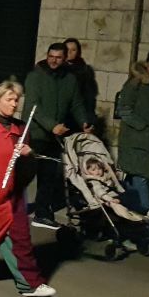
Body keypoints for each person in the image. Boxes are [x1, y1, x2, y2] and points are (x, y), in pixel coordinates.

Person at [0, 80, 57, 297]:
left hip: (13, 196)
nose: (14, 104)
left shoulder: (21, 129)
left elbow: (28, 167)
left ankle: (30, 284)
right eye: (9, 99)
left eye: (16, 100)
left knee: (20, 239)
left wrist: (29, 154)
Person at [23, 42, 91, 230]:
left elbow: (76, 104)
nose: (53, 61)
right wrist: (51, 126)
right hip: (36, 133)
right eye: (50, 56)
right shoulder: (35, 77)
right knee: (26, 175)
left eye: (58, 57)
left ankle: (42, 214)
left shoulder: (70, 79)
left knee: (48, 176)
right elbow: (33, 107)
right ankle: (9, 207)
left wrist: (84, 122)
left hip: (55, 136)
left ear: (65, 58)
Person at [116, 48, 149, 218]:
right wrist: (142, 126)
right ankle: (146, 212)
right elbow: (123, 109)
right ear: (146, 65)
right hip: (133, 138)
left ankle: (127, 209)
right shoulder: (135, 83)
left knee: (133, 176)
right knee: (139, 175)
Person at [83, 158, 149, 227]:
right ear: (87, 171)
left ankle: (144, 215)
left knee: (133, 192)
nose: (97, 171)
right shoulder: (93, 181)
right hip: (109, 198)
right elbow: (100, 192)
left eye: (99, 169)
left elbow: (115, 182)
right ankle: (147, 212)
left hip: (116, 195)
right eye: (93, 170)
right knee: (127, 198)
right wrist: (110, 199)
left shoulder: (105, 176)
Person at [63, 38, 98, 126]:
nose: (69, 52)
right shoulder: (57, 69)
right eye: (67, 49)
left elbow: (89, 95)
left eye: (73, 50)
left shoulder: (84, 71)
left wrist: (89, 117)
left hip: (77, 114)